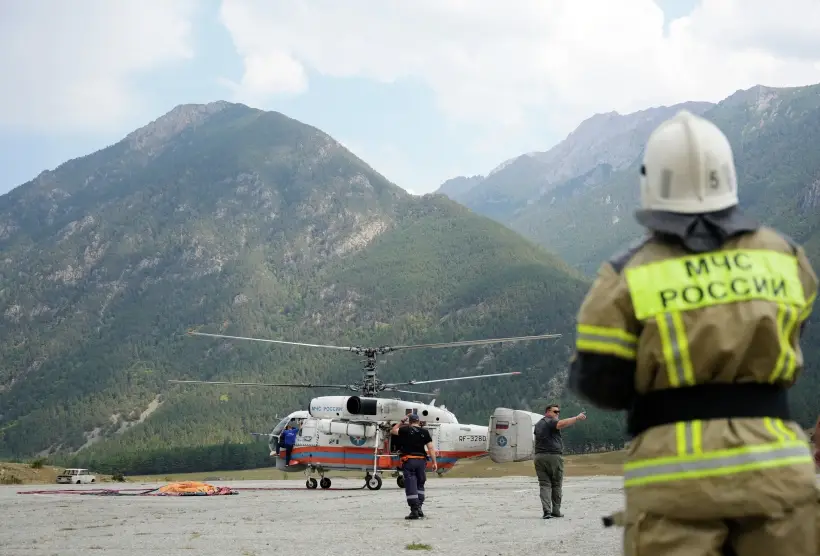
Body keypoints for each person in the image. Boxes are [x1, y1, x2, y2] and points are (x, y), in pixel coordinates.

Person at [567, 109, 818, 555]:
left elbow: (599, 383)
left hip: (673, 484)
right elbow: (794, 331)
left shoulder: (625, 275)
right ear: (728, 176)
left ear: (652, 182)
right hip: (778, 472)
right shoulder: (786, 256)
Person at [533, 404, 586, 519]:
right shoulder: (551, 421)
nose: (557, 414)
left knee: (544, 484)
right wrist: (576, 418)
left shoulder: (538, 424)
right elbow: (561, 424)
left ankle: (546, 511)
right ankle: (556, 511)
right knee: (556, 484)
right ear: (548, 412)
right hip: (553, 456)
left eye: (558, 412)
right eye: (555, 411)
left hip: (539, 457)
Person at [391, 413, 437, 519]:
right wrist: (434, 462)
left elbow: (393, 431)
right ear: (418, 421)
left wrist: (401, 421)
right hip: (421, 461)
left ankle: (414, 510)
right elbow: (430, 448)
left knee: (411, 483)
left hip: (409, 460)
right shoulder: (425, 432)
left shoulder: (405, 430)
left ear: (409, 422)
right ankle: (419, 508)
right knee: (420, 483)